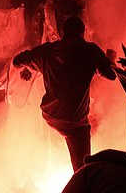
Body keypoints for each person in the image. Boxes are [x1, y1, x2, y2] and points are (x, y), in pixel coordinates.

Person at [12, 16, 116, 172]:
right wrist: (110, 59)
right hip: (73, 121)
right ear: (83, 33)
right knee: (82, 168)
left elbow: (17, 61)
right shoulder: (90, 51)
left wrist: (28, 66)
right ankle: (81, 184)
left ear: (62, 33)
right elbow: (111, 75)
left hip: (49, 115)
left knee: (74, 126)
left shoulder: (47, 51)